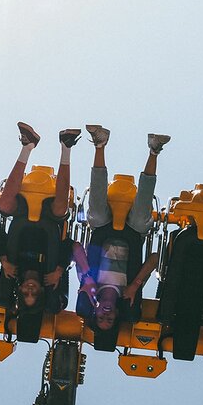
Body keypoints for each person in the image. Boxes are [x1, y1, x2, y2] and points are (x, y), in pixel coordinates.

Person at [72, 126, 170, 348]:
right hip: (133, 234)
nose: (105, 315)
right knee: (140, 220)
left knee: (95, 214)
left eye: (100, 317)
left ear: (95, 311)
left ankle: (99, 144)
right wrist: (136, 284)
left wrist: (87, 278)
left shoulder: (89, 285)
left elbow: (77, 247)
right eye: (110, 319)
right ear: (117, 315)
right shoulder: (129, 292)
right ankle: (154, 151)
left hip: (103, 228)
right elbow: (154, 258)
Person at [0, 122, 81, 321]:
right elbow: (69, 244)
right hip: (49, 217)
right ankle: (66, 147)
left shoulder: (12, 270)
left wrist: (3, 260)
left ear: (20, 289)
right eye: (35, 294)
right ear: (42, 290)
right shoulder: (50, 273)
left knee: (4, 205)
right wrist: (60, 268)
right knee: (61, 208)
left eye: (25, 293)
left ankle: (28, 146)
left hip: (23, 213)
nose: (30, 290)